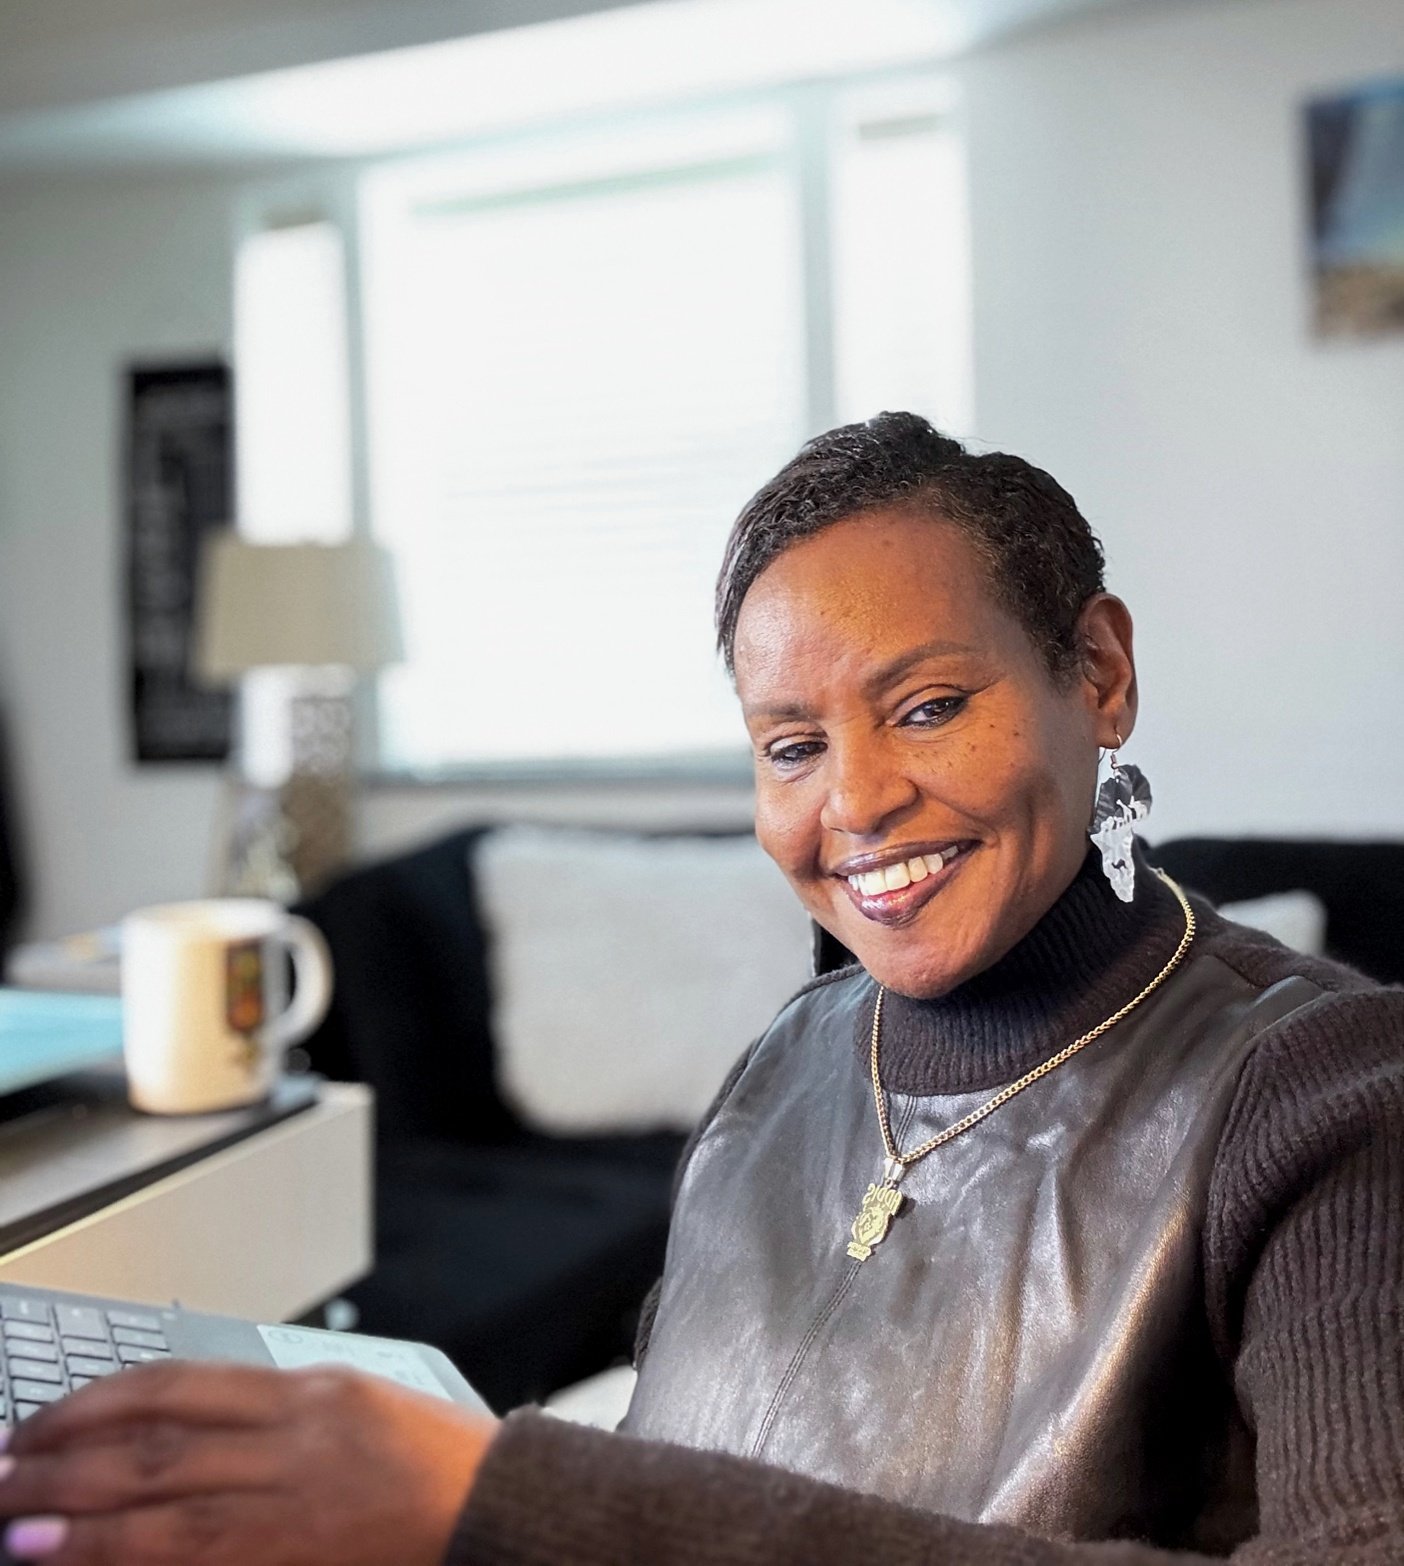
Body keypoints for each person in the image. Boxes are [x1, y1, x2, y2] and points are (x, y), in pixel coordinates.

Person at [0, 414, 1400, 1565]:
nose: (853, 800)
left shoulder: (1324, 1087)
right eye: (791, 744)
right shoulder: (785, 1063)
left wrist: (511, 1500)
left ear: (1097, 672)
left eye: (925, 707)